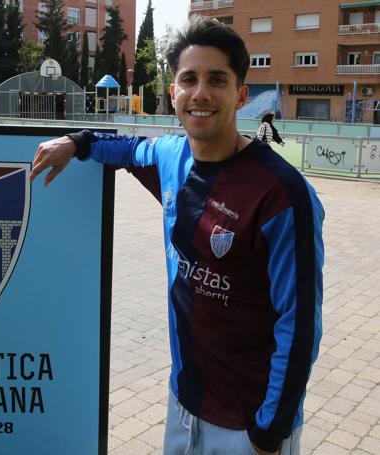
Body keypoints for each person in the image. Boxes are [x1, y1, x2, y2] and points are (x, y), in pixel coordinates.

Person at [30, 17, 324, 455]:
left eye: (217, 80)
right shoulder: (171, 154)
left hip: (248, 425)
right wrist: (78, 141)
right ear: (173, 95)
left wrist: (269, 431)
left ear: (241, 95)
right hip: (184, 403)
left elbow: (299, 323)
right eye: (189, 79)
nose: (200, 93)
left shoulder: (283, 194)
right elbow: (127, 149)